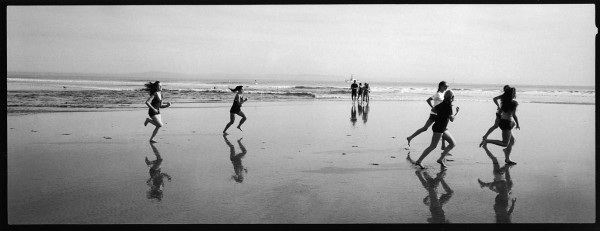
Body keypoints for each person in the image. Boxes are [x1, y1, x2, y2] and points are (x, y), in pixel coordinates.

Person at [412, 90, 459, 169]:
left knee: (452, 144)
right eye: (453, 97)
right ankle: (419, 161)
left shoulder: (441, 104)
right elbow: (452, 119)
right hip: (439, 128)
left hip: (442, 127)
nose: (454, 98)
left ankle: (440, 159)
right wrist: (456, 112)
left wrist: (441, 115)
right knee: (433, 146)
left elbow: (433, 110)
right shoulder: (449, 106)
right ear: (451, 97)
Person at [480, 87, 520, 165]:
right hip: (507, 123)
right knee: (505, 143)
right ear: (513, 94)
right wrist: (518, 124)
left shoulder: (504, 102)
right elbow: (514, 115)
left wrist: (497, 119)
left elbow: (500, 112)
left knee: (512, 141)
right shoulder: (514, 103)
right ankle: (487, 140)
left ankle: (507, 158)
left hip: (504, 122)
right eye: (514, 93)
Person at [478, 144, 517, 223]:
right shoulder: (505, 189)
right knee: (503, 166)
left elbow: (509, 212)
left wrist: (512, 204)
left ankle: (485, 184)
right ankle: (505, 154)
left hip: (499, 181)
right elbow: (509, 212)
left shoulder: (505, 188)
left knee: (497, 162)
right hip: (500, 201)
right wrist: (513, 204)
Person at [407, 81, 449, 149]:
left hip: (440, 115)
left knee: (443, 129)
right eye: (445, 86)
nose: (446, 87)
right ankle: (410, 137)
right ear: (441, 86)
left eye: (447, 86)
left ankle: (443, 145)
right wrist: (432, 107)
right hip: (435, 114)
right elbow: (428, 100)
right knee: (425, 128)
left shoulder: (443, 94)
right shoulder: (438, 94)